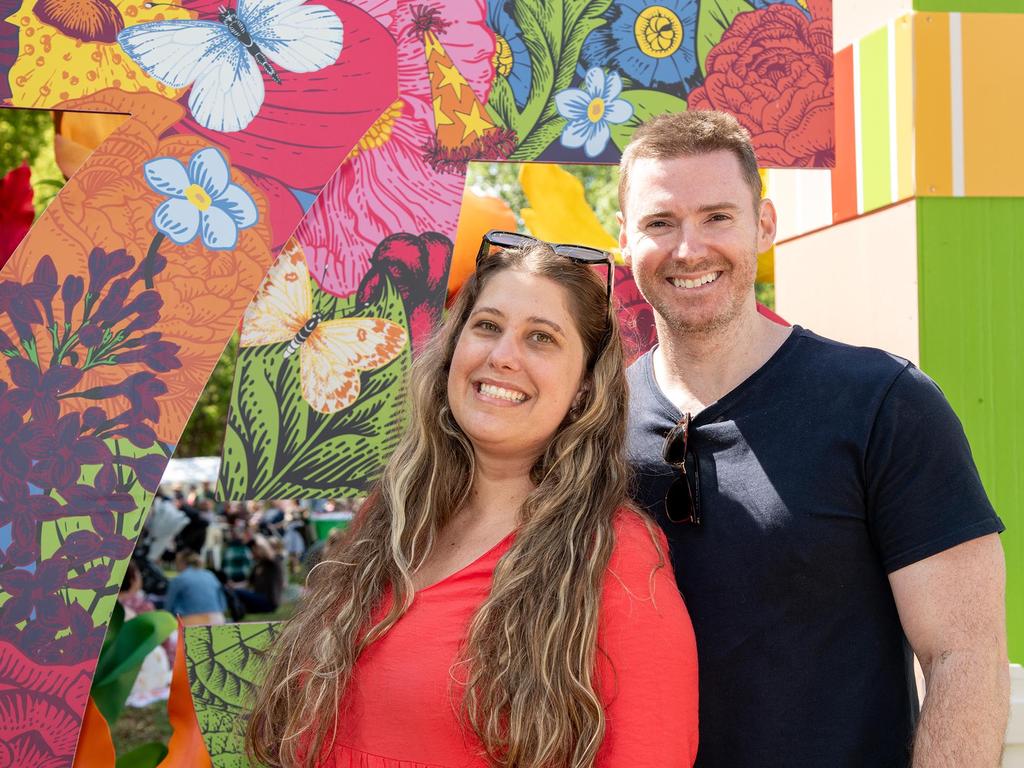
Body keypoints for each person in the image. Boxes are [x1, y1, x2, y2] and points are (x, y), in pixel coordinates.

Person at [617, 110, 1008, 767]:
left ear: (763, 224)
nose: (688, 249)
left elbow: (964, 658)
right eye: (661, 222)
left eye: (717, 216)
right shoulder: (594, 424)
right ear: (624, 238)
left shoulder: (883, 404)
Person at [246, 238, 699, 767]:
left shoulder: (617, 554)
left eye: (541, 338)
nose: (502, 356)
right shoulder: (391, 514)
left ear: (583, 388)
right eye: (487, 326)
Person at [163, 549, 227, 625]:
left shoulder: (179, 579)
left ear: (181, 563)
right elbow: (222, 603)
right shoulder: (210, 575)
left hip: (190, 621)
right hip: (217, 619)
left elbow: (168, 607)